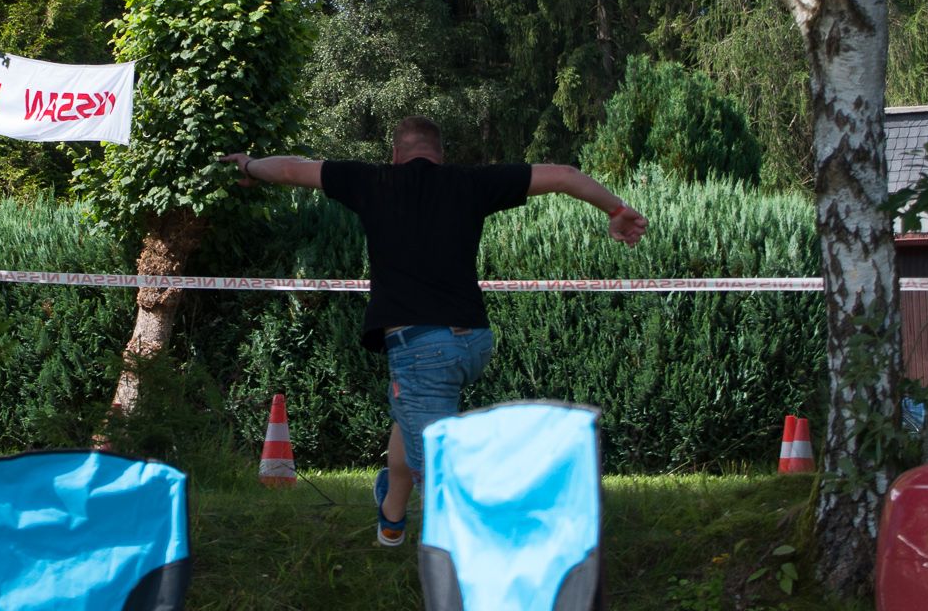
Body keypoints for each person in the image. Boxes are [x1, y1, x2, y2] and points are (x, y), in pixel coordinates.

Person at [223, 115, 647, 546]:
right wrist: (617, 210)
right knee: (406, 414)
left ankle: (469, 564)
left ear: (395, 154)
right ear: (440, 155)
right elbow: (565, 175)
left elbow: (291, 168)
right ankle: (391, 520)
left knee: (439, 478)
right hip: (473, 342)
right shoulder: (470, 182)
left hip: (421, 349)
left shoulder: (371, 180)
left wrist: (249, 165)